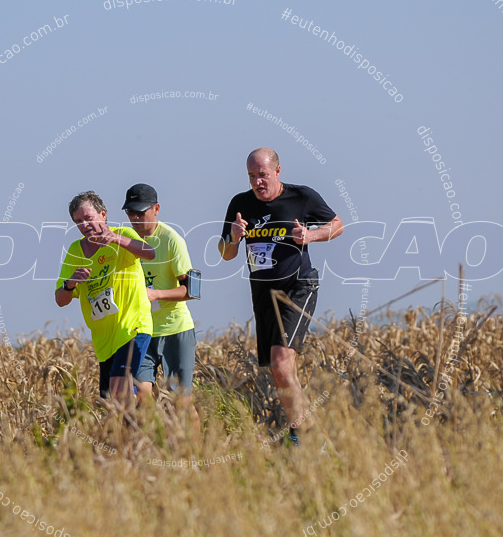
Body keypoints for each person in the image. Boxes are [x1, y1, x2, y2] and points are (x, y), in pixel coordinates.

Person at [218, 148, 344, 446]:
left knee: (280, 364)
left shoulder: (302, 197)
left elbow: (338, 225)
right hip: (263, 292)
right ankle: (308, 435)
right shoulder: (239, 204)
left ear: (277, 171)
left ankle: (305, 439)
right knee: (282, 371)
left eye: (262, 175)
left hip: (298, 286)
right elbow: (225, 255)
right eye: (251, 177)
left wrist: (311, 236)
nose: (257, 183)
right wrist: (233, 237)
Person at [55, 191, 155, 403]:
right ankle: (146, 428)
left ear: (103, 214)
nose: (85, 225)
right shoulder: (75, 250)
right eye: (78, 222)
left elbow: (149, 252)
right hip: (103, 341)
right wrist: (70, 283)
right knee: (111, 402)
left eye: (88, 218)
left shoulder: (123, 233)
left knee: (120, 389)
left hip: (133, 328)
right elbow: (60, 299)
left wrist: (116, 239)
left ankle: (134, 434)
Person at [121, 183, 201, 432]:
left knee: (181, 403)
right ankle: (151, 451)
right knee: (141, 398)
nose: (135, 219)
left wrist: (155, 294)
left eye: (140, 213)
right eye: (130, 213)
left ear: (156, 209)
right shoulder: (125, 240)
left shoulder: (172, 240)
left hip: (175, 330)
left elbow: (193, 291)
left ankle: (195, 460)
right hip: (141, 332)